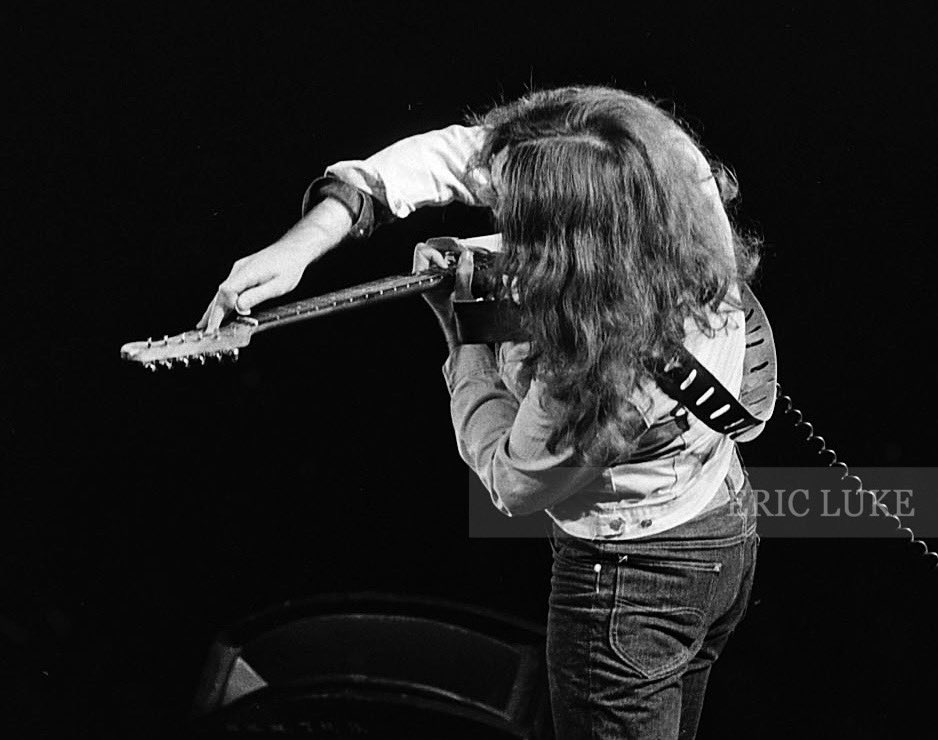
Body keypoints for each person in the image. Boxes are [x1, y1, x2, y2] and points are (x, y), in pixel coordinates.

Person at [198, 86, 762, 740]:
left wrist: (464, 335)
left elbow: (514, 480)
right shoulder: (659, 163)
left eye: (525, 228)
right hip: (725, 524)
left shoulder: (592, 377)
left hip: (633, 587)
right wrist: (305, 243)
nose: (504, 219)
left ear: (572, 254)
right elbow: (459, 155)